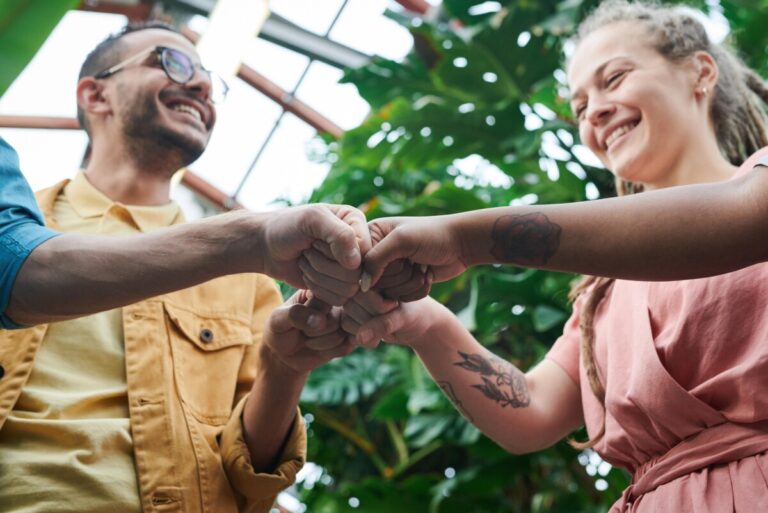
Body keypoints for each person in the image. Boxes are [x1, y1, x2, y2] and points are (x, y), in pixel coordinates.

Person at [302, 1, 768, 511]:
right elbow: (532, 412)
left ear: (700, 72)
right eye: (581, 105)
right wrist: (420, 323)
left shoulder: (758, 183)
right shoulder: (602, 293)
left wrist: (466, 237)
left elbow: (742, 216)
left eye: (614, 79)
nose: (596, 112)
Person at [0, 22, 356, 513]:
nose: (203, 86)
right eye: (172, 62)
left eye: (210, 79)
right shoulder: (15, 229)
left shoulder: (247, 281)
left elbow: (252, 483)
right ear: (95, 94)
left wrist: (284, 369)